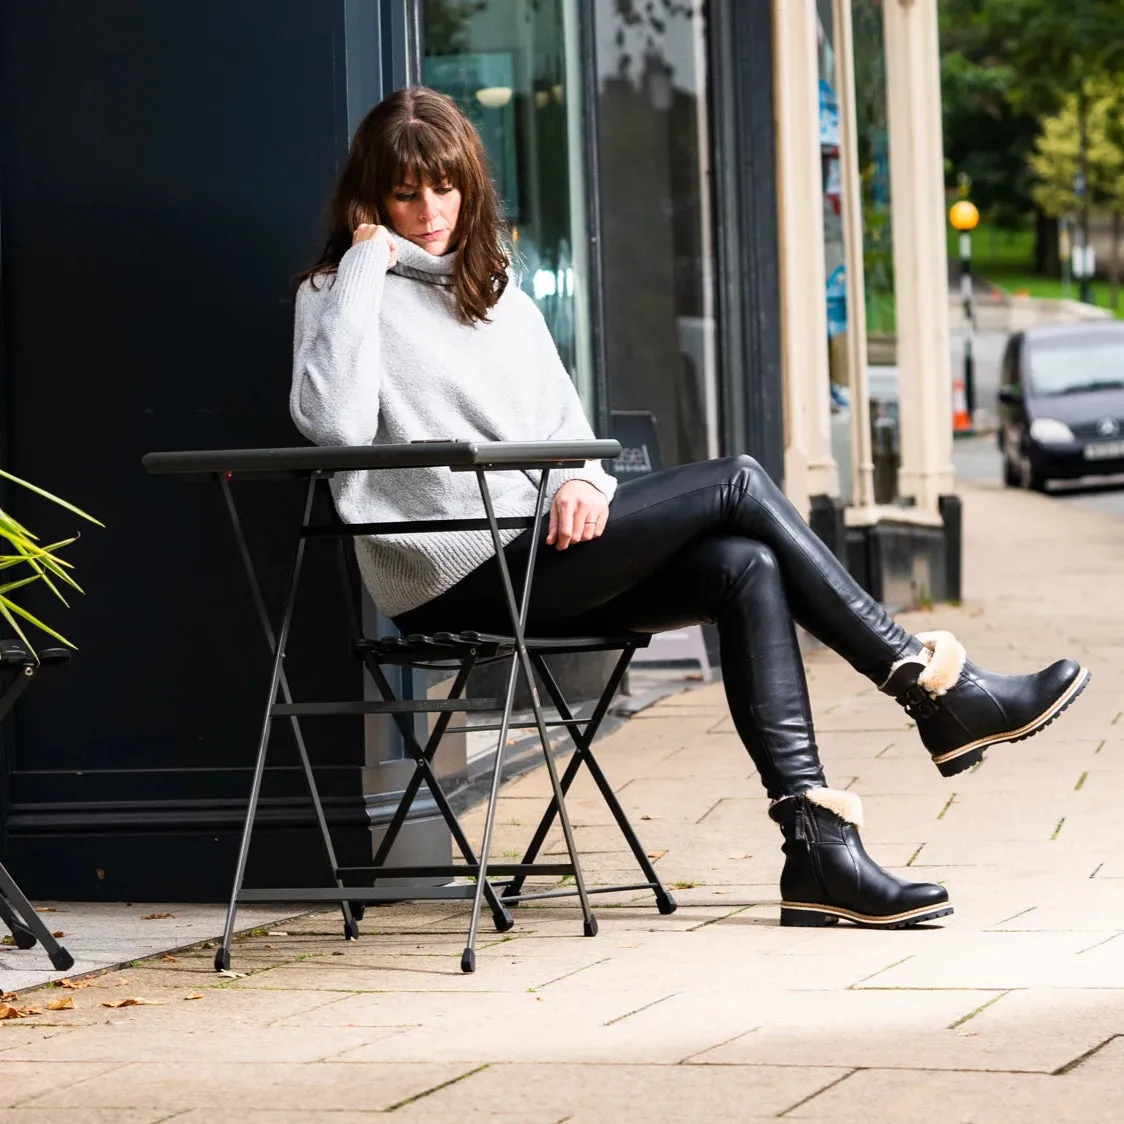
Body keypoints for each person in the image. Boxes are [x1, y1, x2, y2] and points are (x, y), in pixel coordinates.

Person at [290, 87, 1090, 931]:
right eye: (404, 193)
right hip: (456, 572)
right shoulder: (339, 292)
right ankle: (931, 686)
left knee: (744, 567)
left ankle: (816, 850)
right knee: (739, 481)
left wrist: (582, 485)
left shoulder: (501, 300)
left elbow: (573, 441)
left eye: (443, 188)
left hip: (542, 553)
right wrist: (363, 267)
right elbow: (332, 425)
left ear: (470, 188)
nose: (427, 211)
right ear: (368, 199)